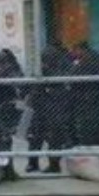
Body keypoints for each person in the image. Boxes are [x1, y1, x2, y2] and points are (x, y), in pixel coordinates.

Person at [26, 40, 73, 174]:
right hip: (51, 106)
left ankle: (36, 163)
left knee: (40, 136)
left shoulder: (51, 69)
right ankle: (49, 164)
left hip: (48, 106)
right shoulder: (59, 67)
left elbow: (36, 88)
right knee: (50, 136)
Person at [0, 49, 25, 177]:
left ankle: (8, 169)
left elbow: (19, 84)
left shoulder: (9, 71)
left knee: (6, 139)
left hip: (6, 108)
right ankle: (3, 168)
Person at [69, 42, 99, 146]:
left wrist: (72, 70)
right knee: (95, 121)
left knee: (87, 123)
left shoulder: (87, 60)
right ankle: (97, 144)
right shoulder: (96, 57)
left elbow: (76, 75)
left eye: (75, 51)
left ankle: (89, 144)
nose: (73, 54)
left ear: (80, 49)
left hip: (87, 96)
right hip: (93, 94)